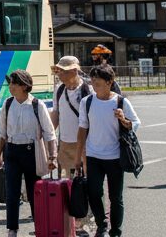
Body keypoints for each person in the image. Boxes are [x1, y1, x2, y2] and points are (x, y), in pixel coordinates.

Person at [76, 65, 141, 237]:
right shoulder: (87, 102)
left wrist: (123, 119)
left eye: (98, 83)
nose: (94, 86)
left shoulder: (121, 102)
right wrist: (78, 156)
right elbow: (82, 129)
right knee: (94, 192)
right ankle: (101, 225)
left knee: (115, 197)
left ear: (109, 82)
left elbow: (135, 124)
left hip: (114, 156)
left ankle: (116, 231)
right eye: (92, 82)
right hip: (93, 155)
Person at [0, 70, 56, 237]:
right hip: (12, 151)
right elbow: (2, 132)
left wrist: (52, 157)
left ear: (24, 86)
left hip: (31, 152)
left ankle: (39, 226)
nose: (10, 86)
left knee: (35, 191)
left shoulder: (37, 105)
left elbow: (49, 133)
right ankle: (12, 228)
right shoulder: (7, 104)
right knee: (12, 192)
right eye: (10, 83)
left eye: (14, 83)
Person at [50, 56, 94, 236]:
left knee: (87, 183)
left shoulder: (86, 89)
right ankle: (72, 222)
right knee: (68, 183)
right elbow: (56, 113)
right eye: (59, 70)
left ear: (74, 71)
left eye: (64, 71)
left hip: (85, 143)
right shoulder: (59, 90)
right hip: (65, 142)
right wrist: (50, 134)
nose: (60, 74)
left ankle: (87, 222)